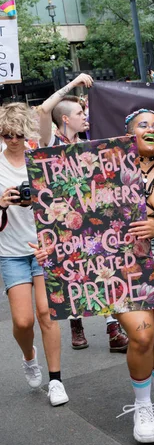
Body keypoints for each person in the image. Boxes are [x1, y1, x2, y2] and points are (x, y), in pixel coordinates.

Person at [36, 108, 154, 444]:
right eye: (143, 125)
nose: (152, 130)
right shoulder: (103, 174)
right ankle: (142, 407)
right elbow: (74, 218)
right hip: (122, 271)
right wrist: (51, 249)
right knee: (141, 337)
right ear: (129, 134)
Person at [39, 74, 129, 353]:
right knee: (74, 271)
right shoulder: (49, 141)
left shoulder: (92, 139)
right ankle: (76, 322)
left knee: (104, 268)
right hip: (63, 223)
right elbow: (44, 110)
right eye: (79, 113)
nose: (84, 116)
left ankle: (113, 327)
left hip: (94, 218)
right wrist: (74, 83)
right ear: (65, 119)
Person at [0, 102, 68, 406]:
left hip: (43, 247)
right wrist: (2, 203)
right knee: (23, 321)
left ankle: (56, 380)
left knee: (46, 312)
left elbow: (62, 200)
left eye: (17, 134)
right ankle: (29, 356)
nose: (13, 140)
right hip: (11, 252)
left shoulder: (38, 158)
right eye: (6, 134)